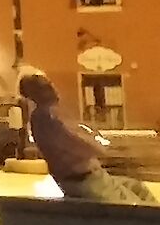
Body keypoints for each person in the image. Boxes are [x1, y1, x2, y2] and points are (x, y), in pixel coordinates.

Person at [23, 72, 159, 204]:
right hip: (85, 181)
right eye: (47, 86)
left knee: (138, 188)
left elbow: (83, 135)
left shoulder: (51, 115)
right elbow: (80, 144)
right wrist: (102, 148)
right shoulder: (46, 118)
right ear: (37, 93)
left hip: (92, 177)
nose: (54, 88)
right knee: (135, 205)